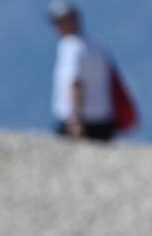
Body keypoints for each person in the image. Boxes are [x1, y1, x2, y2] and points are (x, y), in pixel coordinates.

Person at [48, 3, 117, 142]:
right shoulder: (97, 46)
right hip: (104, 120)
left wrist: (76, 120)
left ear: (72, 20)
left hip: (78, 122)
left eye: (59, 21)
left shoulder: (70, 46)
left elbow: (76, 83)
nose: (56, 26)